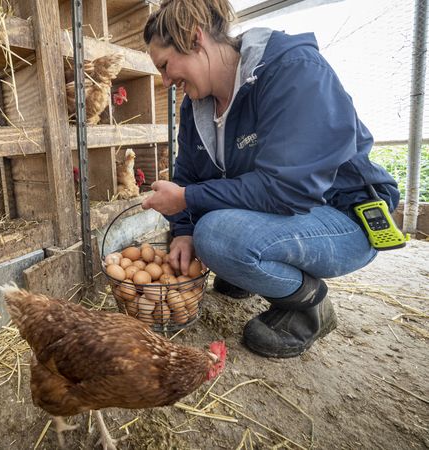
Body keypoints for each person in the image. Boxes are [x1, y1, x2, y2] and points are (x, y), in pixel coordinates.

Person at [141, 0, 400, 358]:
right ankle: (246, 265)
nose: (166, 82)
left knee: (216, 235)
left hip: (345, 213)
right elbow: (188, 174)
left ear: (195, 39)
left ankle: (310, 307)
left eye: (165, 67)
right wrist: (182, 231)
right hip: (288, 215)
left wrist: (187, 200)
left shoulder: (292, 70)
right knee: (206, 235)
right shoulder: (197, 105)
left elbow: (287, 190)